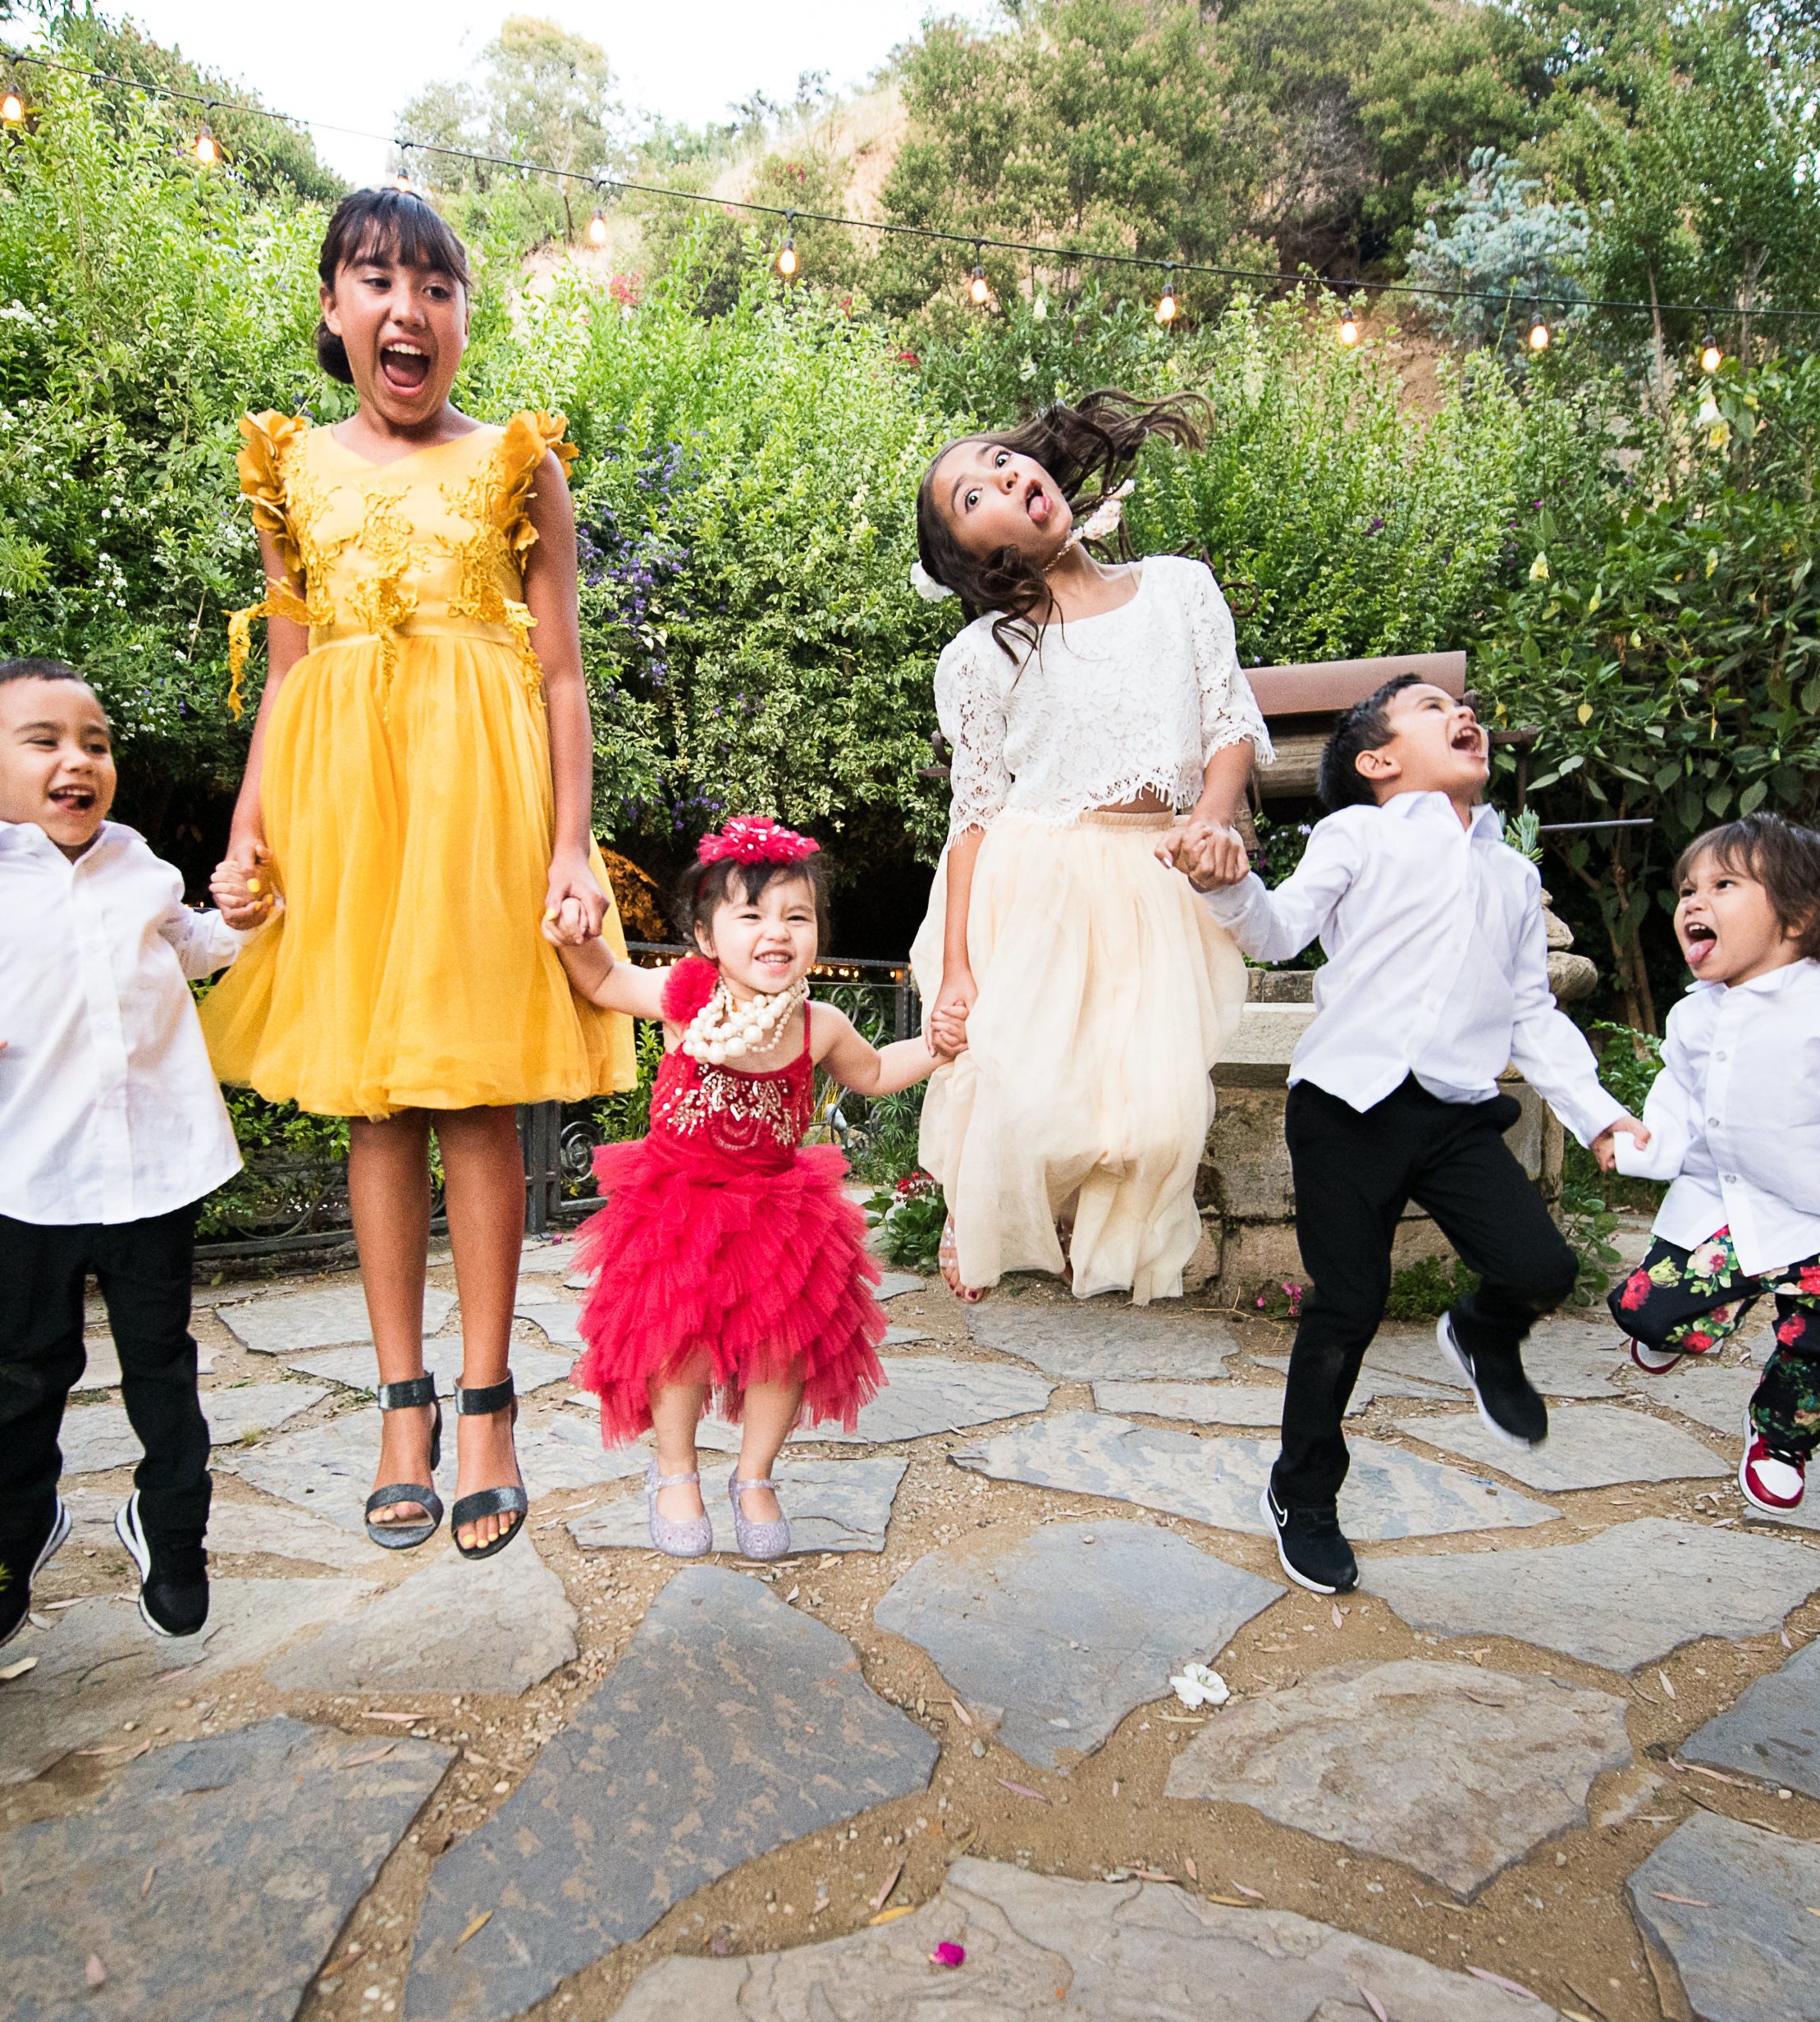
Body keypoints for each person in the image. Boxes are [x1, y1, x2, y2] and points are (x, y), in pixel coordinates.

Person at [205, 189, 633, 1560]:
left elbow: (562, 673)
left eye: (437, 285)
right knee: (373, 1108)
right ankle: (404, 1404)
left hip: (478, 809)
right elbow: (286, 671)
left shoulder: (519, 463)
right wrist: (247, 829)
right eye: (378, 280)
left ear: (462, 315)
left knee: (475, 1102)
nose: (409, 309)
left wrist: (571, 846)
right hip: (346, 815)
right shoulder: (290, 469)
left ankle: (490, 1399)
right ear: (333, 308)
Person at [1179, 675, 1644, 1594]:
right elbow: (1278, 933)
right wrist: (1227, 888)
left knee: (1542, 1268)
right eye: (1431, 709)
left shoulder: (1514, 874)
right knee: (1346, 1306)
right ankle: (1302, 1493)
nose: (1460, 713)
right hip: (1346, 1104)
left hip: (1454, 1111)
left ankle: (1481, 1333)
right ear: (1377, 762)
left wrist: (1600, 1113)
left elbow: (1530, 1014)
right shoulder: (1357, 835)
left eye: (1460, 708)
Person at [0, 658, 254, 1651]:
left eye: (97, 742)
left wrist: (239, 923)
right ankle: (9, 1544)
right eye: (46, 741)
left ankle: (171, 1534)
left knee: (163, 1362)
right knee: (31, 1369)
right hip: (31, 1178)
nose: (79, 760)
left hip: (161, 1163)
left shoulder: (139, 864)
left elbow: (187, 945)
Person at [907, 391, 1273, 1306]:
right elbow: (974, 817)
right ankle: (977, 1202)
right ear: (976, 558)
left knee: (1155, 1121)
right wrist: (956, 967)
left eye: (1002, 460)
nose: (1006, 475)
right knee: (1021, 1084)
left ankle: (1089, 1227)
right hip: (1042, 880)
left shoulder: (1180, 588)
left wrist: (1213, 817)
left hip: (1157, 880)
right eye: (973, 494)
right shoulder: (986, 657)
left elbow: (1229, 723)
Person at [545, 817, 940, 1559]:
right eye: (751, 915)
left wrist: (938, 1045)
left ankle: (754, 1477)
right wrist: (574, 930)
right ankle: (675, 1472)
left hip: (777, 1209)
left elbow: (880, 1073)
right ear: (704, 936)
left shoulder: (818, 1024)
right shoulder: (683, 997)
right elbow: (601, 979)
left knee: (780, 1353)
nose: (777, 932)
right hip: (680, 1203)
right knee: (679, 1344)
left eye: (798, 916)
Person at [1606, 813, 1820, 1514]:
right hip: (1728, 1211)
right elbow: (1675, 1097)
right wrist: (1644, 1143)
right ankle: (1692, 1322)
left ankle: (1781, 1435)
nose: (1693, 903)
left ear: (1800, 915)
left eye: (1723, 885)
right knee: (1646, 1314)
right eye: (1687, 889)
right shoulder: (1691, 1018)